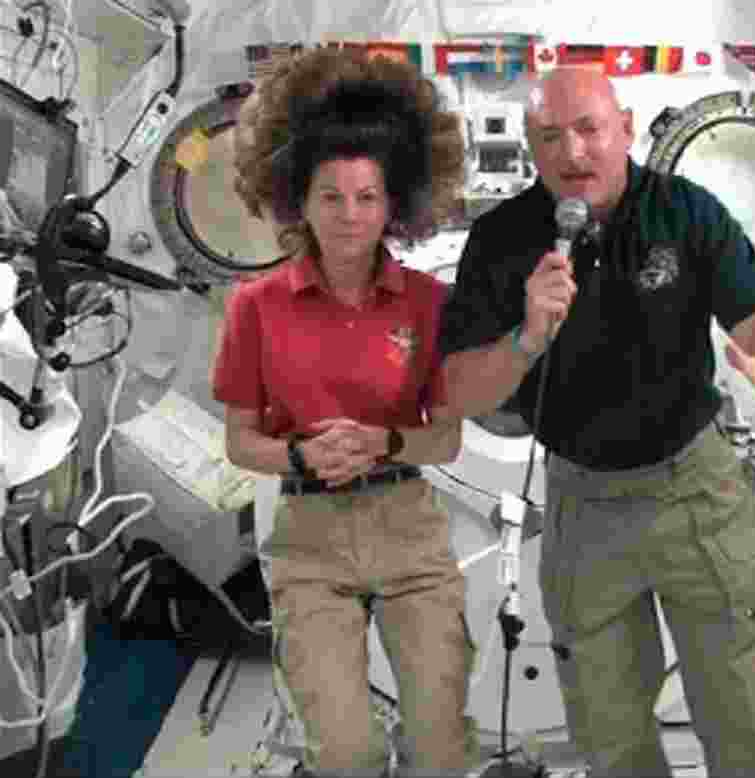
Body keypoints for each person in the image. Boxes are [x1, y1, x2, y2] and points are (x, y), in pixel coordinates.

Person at [438, 67, 755, 778]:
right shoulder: (502, 239)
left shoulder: (686, 211)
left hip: (695, 489)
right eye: (550, 136)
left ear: (625, 129)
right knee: (607, 731)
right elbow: (458, 393)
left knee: (743, 712)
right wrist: (526, 336)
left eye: (589, 129)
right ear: (530, 146)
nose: (573, 152)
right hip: (582, 503)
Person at [214, 47, 476, 777]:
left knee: (438, 746)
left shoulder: (430, 304)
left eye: (367, 197)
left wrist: (384, 441)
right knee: (346, 753)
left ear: (395, 204)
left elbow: (446, 440)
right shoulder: (255, 308)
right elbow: (240, 442)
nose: (350, 216)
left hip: (410, 536)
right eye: (331, 197)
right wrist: (300, 454)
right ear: (299, 199)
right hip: (309, 542)